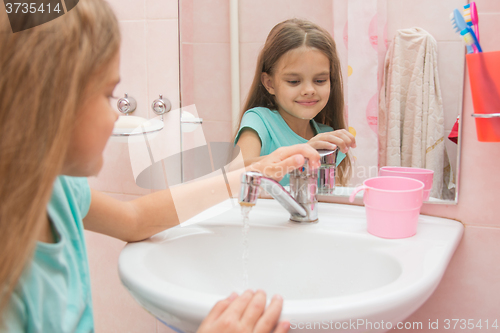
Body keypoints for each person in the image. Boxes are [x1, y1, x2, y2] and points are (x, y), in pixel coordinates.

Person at [0, 2, 321, 332]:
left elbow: (135, 219)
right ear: (44, 103)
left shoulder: (57, 190)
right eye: (108, 95)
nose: (117, 114)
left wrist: (252, 172)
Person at [235, 18, 356, 186]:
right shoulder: (259, 121)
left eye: (320, 80)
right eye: (293, 81)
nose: (309, 90)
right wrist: (300, 155)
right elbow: (234, 173)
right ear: (269, 83)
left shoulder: (326, 139)